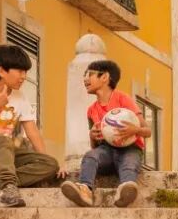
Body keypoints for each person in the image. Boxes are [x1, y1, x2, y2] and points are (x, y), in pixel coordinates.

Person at [0, 44, 64, 207]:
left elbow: (32, 132)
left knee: (50, 164)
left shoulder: (20, 97)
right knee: (3, 140)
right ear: (2, 71)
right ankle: (8, 189)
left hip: (4, 154)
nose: (23, 77)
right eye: (19, 71)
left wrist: (45, 157)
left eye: (25, 72)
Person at [60, 59, 151, 208]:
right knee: (90, 156)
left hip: (130, 148)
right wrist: (92, 136)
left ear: (104, 77)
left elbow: (147, 131)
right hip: (106, 150)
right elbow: (94, 147)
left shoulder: (123, 99)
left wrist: (135, 130)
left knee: (129, 163)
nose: (85, 79)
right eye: (85, 75)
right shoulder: (91, 110)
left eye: (90, 74)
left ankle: (125, 191)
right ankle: (85, 190)